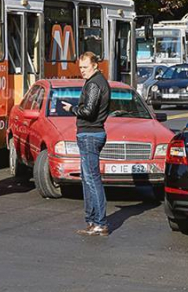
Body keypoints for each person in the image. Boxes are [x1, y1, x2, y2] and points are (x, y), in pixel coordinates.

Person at [61, 51, 111, 236]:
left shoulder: (94, 84)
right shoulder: (95, 82)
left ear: (95, 65)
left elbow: (89, 111)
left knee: (91, 179)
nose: (82, 70)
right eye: (80, 67)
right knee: (88, 178)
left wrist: (73, 108)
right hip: (90, 133)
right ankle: (92, 221)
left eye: (85, 67)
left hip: (90, 134)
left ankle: (99, 222)